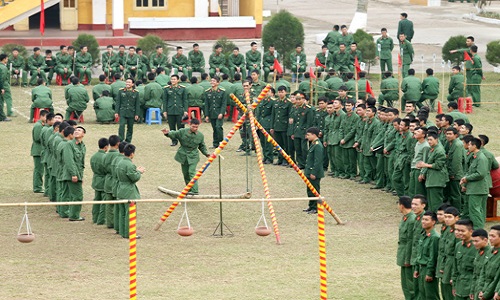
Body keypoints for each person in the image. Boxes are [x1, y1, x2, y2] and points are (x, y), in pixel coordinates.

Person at [161, 118, 209, 195]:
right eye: (193, 126)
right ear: (190, 125)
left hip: (193, 156)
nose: (195, 128)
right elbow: (174, 134)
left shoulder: (200, 135)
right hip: (183, 155)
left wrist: (206, 153)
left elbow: (202, 146)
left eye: (196, 127)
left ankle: (195, 190)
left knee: (191, 172)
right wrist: (167, 133)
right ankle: (189, 189)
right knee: (186, 173)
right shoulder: (182, 131)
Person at [116, 144, 145, 238]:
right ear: (132, 154)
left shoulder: (120, 162)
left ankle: (123, 232)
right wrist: (139, 172)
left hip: (120, 189)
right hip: (129, 191)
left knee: (122, 213)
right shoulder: (130, 164)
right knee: (130, 214)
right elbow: (134, 178)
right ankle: (129, 233)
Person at [460, 137, 489, 230]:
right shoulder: (474, 156)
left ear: (475, 146)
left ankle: (478, 229)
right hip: (473, 188)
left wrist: (466, 178)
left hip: (477, 189)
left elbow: (481, 174)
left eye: (470, 145)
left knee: (475, 211)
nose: (468, 146)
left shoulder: (481, 158)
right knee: (471, 210)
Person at [416, 132, 448, 212]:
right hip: (432, 178)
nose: (429, 141)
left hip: (437, 179)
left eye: (431, 140)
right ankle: (433, 214)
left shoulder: (439, 150)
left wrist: (425, 165)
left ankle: (437, 215)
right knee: (431, 199)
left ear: (436, 139)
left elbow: (438, 165)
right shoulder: (433, 149)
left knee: (436, 200)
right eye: (428, 140)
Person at [61, 126, 86, 221]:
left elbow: (81, 163)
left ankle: (72, 213)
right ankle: (74, 215)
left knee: (73, 195)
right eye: (75, 130)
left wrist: (81, 176)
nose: (76, 131)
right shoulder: (69, 144)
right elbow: (69, 160)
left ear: (83, 134)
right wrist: (74, 174)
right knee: (78, 196)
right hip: (71, 174)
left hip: (77, 174)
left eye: (79, 130)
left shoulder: (82, 146)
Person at [414, 211, 440, 300]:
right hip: (421, 268)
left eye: (426, 220)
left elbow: (433, 257)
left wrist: (429, 273)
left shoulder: (435, 237)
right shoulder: (423, 235)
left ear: (433, 222)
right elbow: (419, 253)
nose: (423, 221)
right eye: (423, 219)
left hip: (428, 269)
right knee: (422, 294)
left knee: (431, 295)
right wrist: (417, 268)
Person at [397, 195, 417, 300]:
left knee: (410, 284)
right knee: (404, 283)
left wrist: (408, 258)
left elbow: (410, 240)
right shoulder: (405, 218)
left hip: (407, 255)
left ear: (402, 205)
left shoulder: (411, 219)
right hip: (403, 253)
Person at [439, 206, 460, 300]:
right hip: (446, 263)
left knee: (451, 293)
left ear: (457, 218)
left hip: (452, 265)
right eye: (445, 216)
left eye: (449, 217)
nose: (446, 219)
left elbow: (457, 256)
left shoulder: (458, 233)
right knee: (445, 292)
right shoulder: (448, 230)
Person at [452, 219, 476, 300]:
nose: (458, 233)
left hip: (471, 287)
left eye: (462, 231)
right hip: (459, 287)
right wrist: (454, 285)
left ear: (471, 231)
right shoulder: (458, 246)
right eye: (457, 230)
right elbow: (455, 268)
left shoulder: (477, 247)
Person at [303, 127, 324, 214]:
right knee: (310, 190)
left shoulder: (318, 145)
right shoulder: (313, 143)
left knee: (315, 190)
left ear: (314, 135)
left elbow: (318, 161)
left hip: (314, 172)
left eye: (308, 135)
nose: (307, 137)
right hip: (309, 171)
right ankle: (311, 206)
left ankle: (316, 207)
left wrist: (313, 172)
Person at [162, 74, 188, 146]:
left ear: (178, 80)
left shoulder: (183, 88)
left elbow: (185, 100)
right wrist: (164, 110)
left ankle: (182, 141)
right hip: (170, 110)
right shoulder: (166, 89)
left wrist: (185, 110)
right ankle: (174, 141)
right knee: (172, 127)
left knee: (181, 127)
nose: (173, 81)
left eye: (174, 79)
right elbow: (165, 101)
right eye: (172, 79)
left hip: (179, 110)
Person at [477, 225, 500, 300]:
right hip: (484, 290)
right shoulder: (490, 251)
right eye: (489, 235)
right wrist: (480, 290)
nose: (490, 238)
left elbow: (496, 279)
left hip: (493, 294)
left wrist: (486, 294)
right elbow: (482, 272)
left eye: (493, 236)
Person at [270, 86, 291, 166]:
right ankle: (280, 159)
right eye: (279, 92)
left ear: (285, 92)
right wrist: (272, 126)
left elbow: (289, 116)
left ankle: (286, 159)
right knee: (278, 144)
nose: (280, 93)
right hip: (277, 126)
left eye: (282, 92)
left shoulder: (288, 103)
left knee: (285, 144)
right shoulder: (276, 102)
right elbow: (273, 115)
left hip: (284, 126)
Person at [291, 92, 314, 169]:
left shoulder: (308, 109)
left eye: (300, 99)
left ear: (303, 100)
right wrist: (293, 132)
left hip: (304, 132)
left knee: (304, 148)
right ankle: (300, 163)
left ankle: (306, 163)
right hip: (297, 131)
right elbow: (294, 122)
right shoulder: (295, 108)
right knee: (297, 148)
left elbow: (309, 122)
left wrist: (307, 133)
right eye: (296, 99)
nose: (298, 101)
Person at [444, 128, 464, 211]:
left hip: (455, 174)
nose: (448, 136)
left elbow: (456, 161)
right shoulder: (450, 143)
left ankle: (457, 212)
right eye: (447, 134)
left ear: (456, 135)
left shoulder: (457, 144)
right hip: (450, 172)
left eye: (450, 134)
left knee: (455, 195)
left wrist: (453, 173)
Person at [102, 135, 120, 228]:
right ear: (118, 144)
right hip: (115, 181)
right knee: (117, 204)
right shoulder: (118, 156)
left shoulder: (105, 155)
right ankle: (116, 223)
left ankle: (109, 222)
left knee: (109, 204)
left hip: (107, 180)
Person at [204, 76, 226, 148]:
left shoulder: (222, 92)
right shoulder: (207, 92)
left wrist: (221, 113)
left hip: (219, 112)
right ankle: (215, 143)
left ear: (218, 83)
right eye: (211, 81)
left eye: (214, 81)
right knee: (214, 128)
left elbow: (223, 103)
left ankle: (221, 142)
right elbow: (206, 105)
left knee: (218, 127)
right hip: (212, 113)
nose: (212, 82)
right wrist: (206, 115)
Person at [115, 78, 140, 142]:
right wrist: (116, 112)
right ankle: (120, 139)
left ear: (132, 84)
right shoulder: (121, 91)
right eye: (126, 82)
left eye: (129, 82)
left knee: (130, 127)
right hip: (123, 111)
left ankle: (128, 141)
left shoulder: (136, 93)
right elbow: (118, 102)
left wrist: (137, 114)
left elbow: (137, 104)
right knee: (121, 126)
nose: (127, 84)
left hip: (131, 112)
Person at [90, 138, 109, 225]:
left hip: (96, 180)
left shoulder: (93, 156)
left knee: (96, 200)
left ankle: (95, 218)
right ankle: (101, 220)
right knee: (103, 202)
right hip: (103, 181)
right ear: (106, 147)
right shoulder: (105, 157)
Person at [256, 88, 275, 164]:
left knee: (268, 142)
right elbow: (259, 113)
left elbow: (273, 114)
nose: (265, 93)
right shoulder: (261, 101)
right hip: (261, 123)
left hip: (268, 123)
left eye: (267, 92)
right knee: (262, 142)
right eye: (264, 91)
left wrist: (271, 126)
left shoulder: (272, 102)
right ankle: (265, 156)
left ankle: (269, 157)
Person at [31, 109, 48, 193]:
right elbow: (37, 138)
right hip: (38, 151)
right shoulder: (38, 125)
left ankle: (38, 186)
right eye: (46, 117)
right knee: (39, 170)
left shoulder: (42, 125)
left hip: (40, 150)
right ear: (41, 116)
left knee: (40, 169)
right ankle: (37, 187)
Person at [409, 127, 430, 197]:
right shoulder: (417, 143)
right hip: (414, 168)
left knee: (419, 190)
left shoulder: (426, 146)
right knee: (412, 188)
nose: (415, 132)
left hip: (419, 170)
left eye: (418, 131)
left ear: (423, 135)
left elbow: (425, 160)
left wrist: (422, 173)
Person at [471, 228, 490, 300]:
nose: (474, 243)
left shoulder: (490, 253)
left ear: (485, 240)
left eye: (476, 241)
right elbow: (475, 274)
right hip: (477, 288)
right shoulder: (478, 252)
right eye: (473, 241)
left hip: (484, 290)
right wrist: (472, 290)